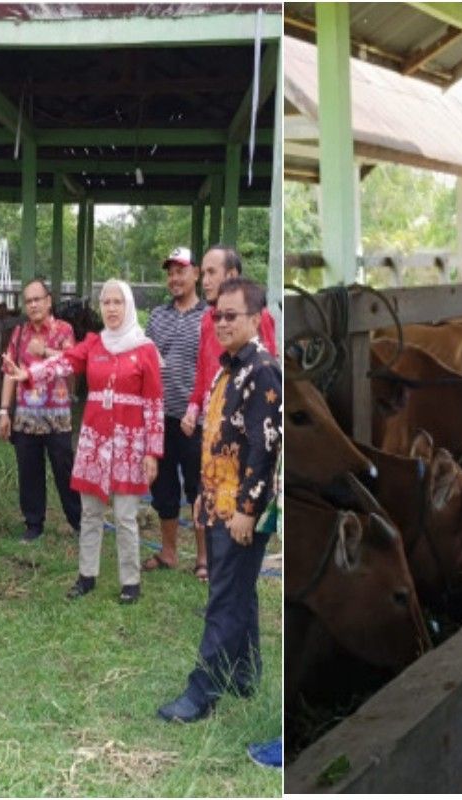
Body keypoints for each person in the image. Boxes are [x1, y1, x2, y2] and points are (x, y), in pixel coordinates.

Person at [157, 277, 282, 723]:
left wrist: (248, 510)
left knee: (224, 598)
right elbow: (216, 439)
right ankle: (244, 675)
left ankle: (202, 692)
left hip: (240, 511)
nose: (222, 322)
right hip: (217, 502)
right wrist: (203, 498)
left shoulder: (262, 371)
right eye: (217, 315)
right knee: (239, 592)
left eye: (232, 315)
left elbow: (263, 449)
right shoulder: (228, 367)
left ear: (255, 318)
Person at [5, 279, 164, 604]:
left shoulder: (144, 349)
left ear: (128, 305)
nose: (112, 308)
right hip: (95, 439)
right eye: (106, 302)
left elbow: (154, 404)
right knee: (91, 513)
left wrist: (153, 451)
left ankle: (130, 581)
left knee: (124, 515)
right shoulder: (94, 344)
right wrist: (31, 373)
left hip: (129, 442)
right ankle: (86, 575)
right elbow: (64, 362)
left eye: (118, 302)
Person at [0, 278, 81, 542]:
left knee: (64, 469)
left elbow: (71, 362)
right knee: (29, 471)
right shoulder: (19, 333)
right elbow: (9, 373)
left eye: (38, 299)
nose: (33, 305)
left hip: (57, 418)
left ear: (48, 301)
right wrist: (3, 411)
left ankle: (78, 521)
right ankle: (34, 523)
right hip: (26, 418)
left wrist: (44, 350)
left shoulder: (64, 330)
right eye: (29, 301)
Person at [143, 246, 208, 578]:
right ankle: (168, 552)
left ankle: (203, 558)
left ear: (196, 273)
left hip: (196, 419)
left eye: (181, 271)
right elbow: (146, 360)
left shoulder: (210, 317)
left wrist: (199, 410)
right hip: (160, 417)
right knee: (163, 486)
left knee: (198, 486)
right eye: (170, 272)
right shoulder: (157, 316)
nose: (174, 278)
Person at [179, 245, 278, 438]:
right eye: (204, 273)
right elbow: (202, 371)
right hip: (211, 427)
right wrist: (193, 409)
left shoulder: (259, 317)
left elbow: (269, 375)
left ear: (231, 275)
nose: (205, 281)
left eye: (212, 272)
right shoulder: (208, 319)